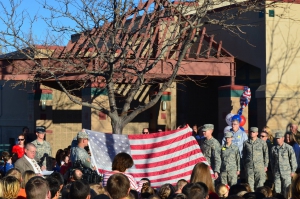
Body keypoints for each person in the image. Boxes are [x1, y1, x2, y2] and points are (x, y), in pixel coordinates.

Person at [270, 131, 297, 195]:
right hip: (277, 172)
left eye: (279, 138)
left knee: (287, 190)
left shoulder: (289, 148)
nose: (277, 140)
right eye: (276, 138)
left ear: (283, 138)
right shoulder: (273, 149)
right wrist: (273, 171)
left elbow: (293, 160)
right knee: (277, 190)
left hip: (287, 173)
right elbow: (272, 161)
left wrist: (293, 171)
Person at [242, 127, 269, 192]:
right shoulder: (246, 143)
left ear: (257, 133)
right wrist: (244, 165)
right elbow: (244, 155)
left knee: (259, 186)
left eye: (253, 132)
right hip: (249, 167)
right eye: (251, 132)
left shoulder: (262, 143)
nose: (252, 133)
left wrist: (265, 165)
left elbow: (266, 155)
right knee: (250, 186)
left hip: (259, 167)